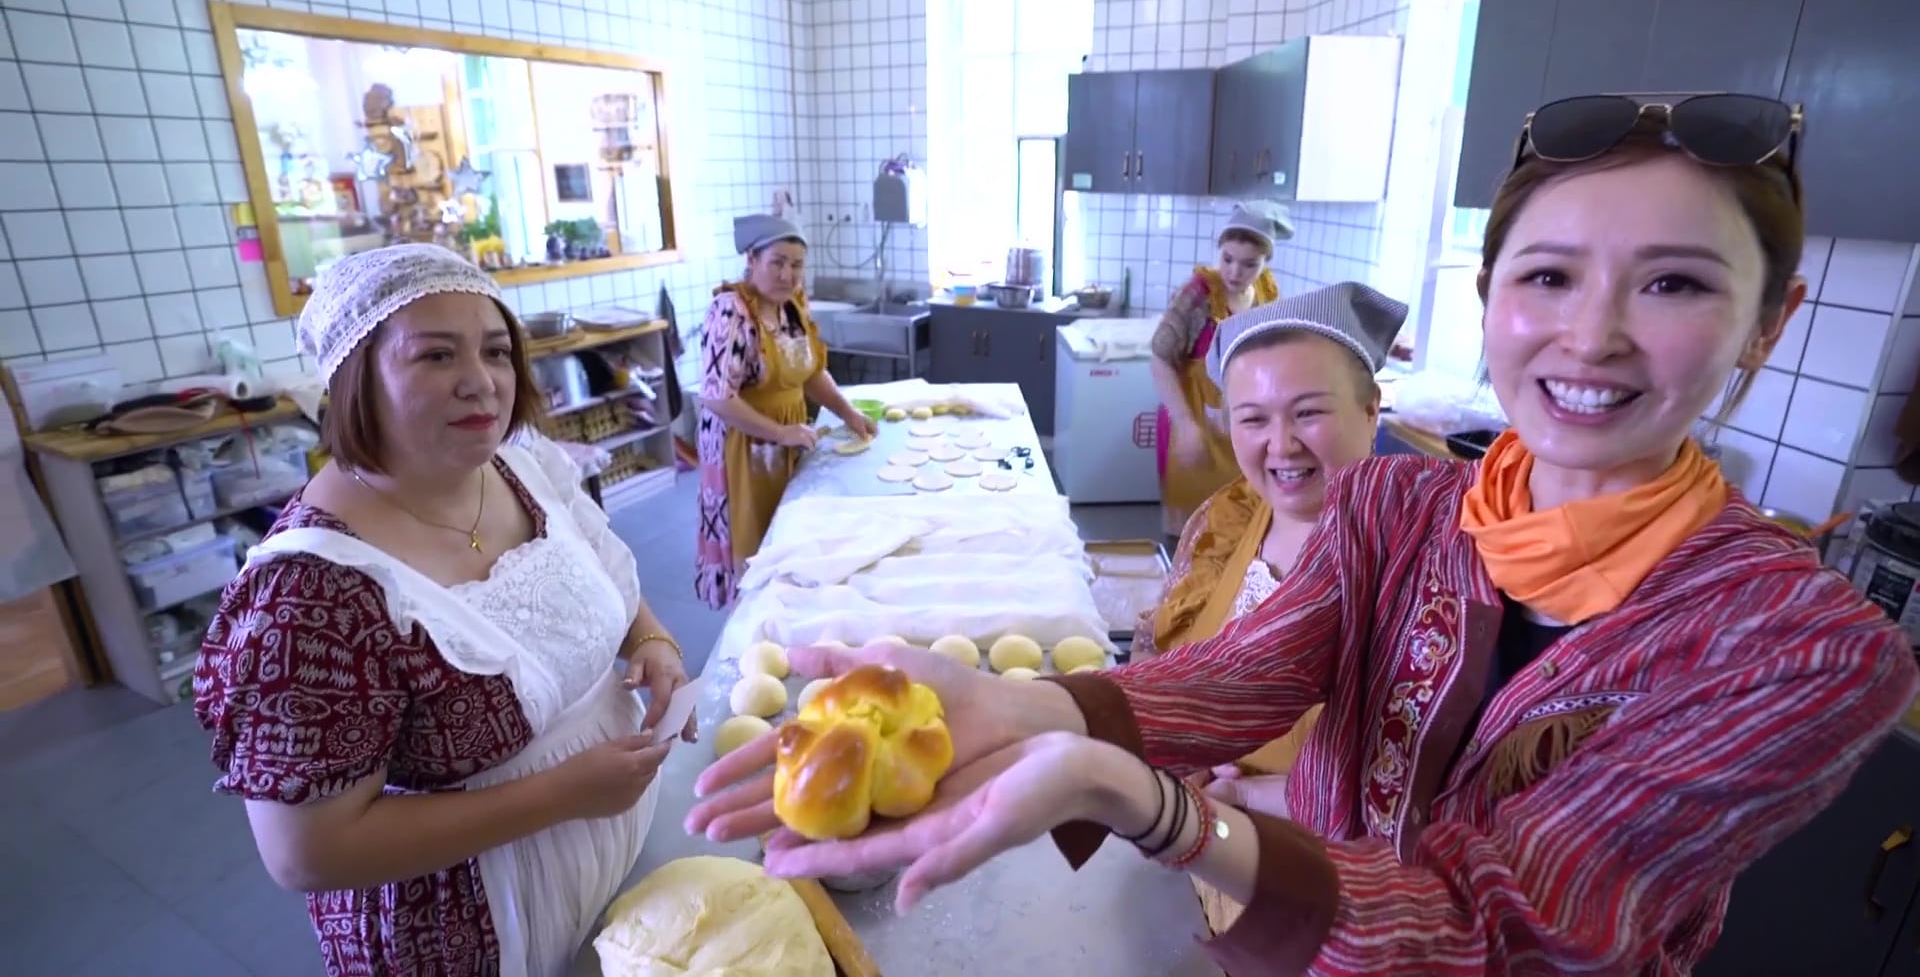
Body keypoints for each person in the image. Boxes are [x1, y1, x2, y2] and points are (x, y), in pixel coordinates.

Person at [688, 95, 1920, 975]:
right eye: (1547, 276)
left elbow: (1506, 927)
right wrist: (1030, 709)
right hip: (1284, 937)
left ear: (1770, 323)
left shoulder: (1801, 650)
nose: (1590, 336)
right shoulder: (1397, 508)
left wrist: (1143, 803)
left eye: (1675, 283)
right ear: (1489, 298)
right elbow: (1243, 675)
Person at [194, 244, 695, 977]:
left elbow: (596, 575)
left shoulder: (520, 464)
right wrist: (560, 795)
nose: (481, 382)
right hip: (472, 927)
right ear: (357, 376)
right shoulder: (310, 596)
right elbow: (307, 853)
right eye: (435, 355)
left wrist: (652, 640)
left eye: (496, 351)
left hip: (613, 850)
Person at [1136, 281, 1407, 935]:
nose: (1281, 446)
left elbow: (1425, 780)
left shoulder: (1420, 557)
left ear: (1371, 410)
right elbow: (1159, 649)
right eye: (1253, 419)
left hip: (1325, 906)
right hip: (1194, 862)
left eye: (1308, 413)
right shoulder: (1229, 518)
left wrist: (1253, 794)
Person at [695, 214, 877, 609]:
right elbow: (717, 397)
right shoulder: (731, 312)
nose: (787, 275)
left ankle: (792, 611)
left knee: (789, 532)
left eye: (796, 265)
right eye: (777, 262)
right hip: (743, 447)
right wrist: (779, 433)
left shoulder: (792, 306)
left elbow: (810, 373)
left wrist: (847, 413)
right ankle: (756, 624)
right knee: (755, 543)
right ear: (752, 260)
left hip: (788, 436)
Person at [1153, 202, 1289, 536]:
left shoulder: (1267, 295)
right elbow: (1160, 358)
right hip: (1192, 419)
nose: (1234, 272)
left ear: (1265, 262)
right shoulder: (1198, 295)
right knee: (1189, 531)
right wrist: (1186, 424)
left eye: (1249, 264)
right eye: (1227, 259)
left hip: (1238, 426)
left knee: (1234, 527)